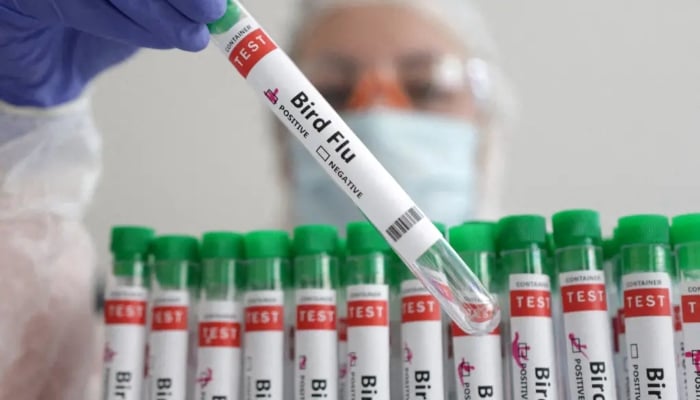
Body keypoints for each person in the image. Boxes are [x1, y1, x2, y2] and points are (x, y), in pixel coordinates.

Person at [0, 0, 511, 398]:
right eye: (329, 93)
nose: (374, 119)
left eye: (424, 86)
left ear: (490, 128)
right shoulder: (156, 350)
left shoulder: (558, 335)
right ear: (285, 146)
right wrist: (26, 113)